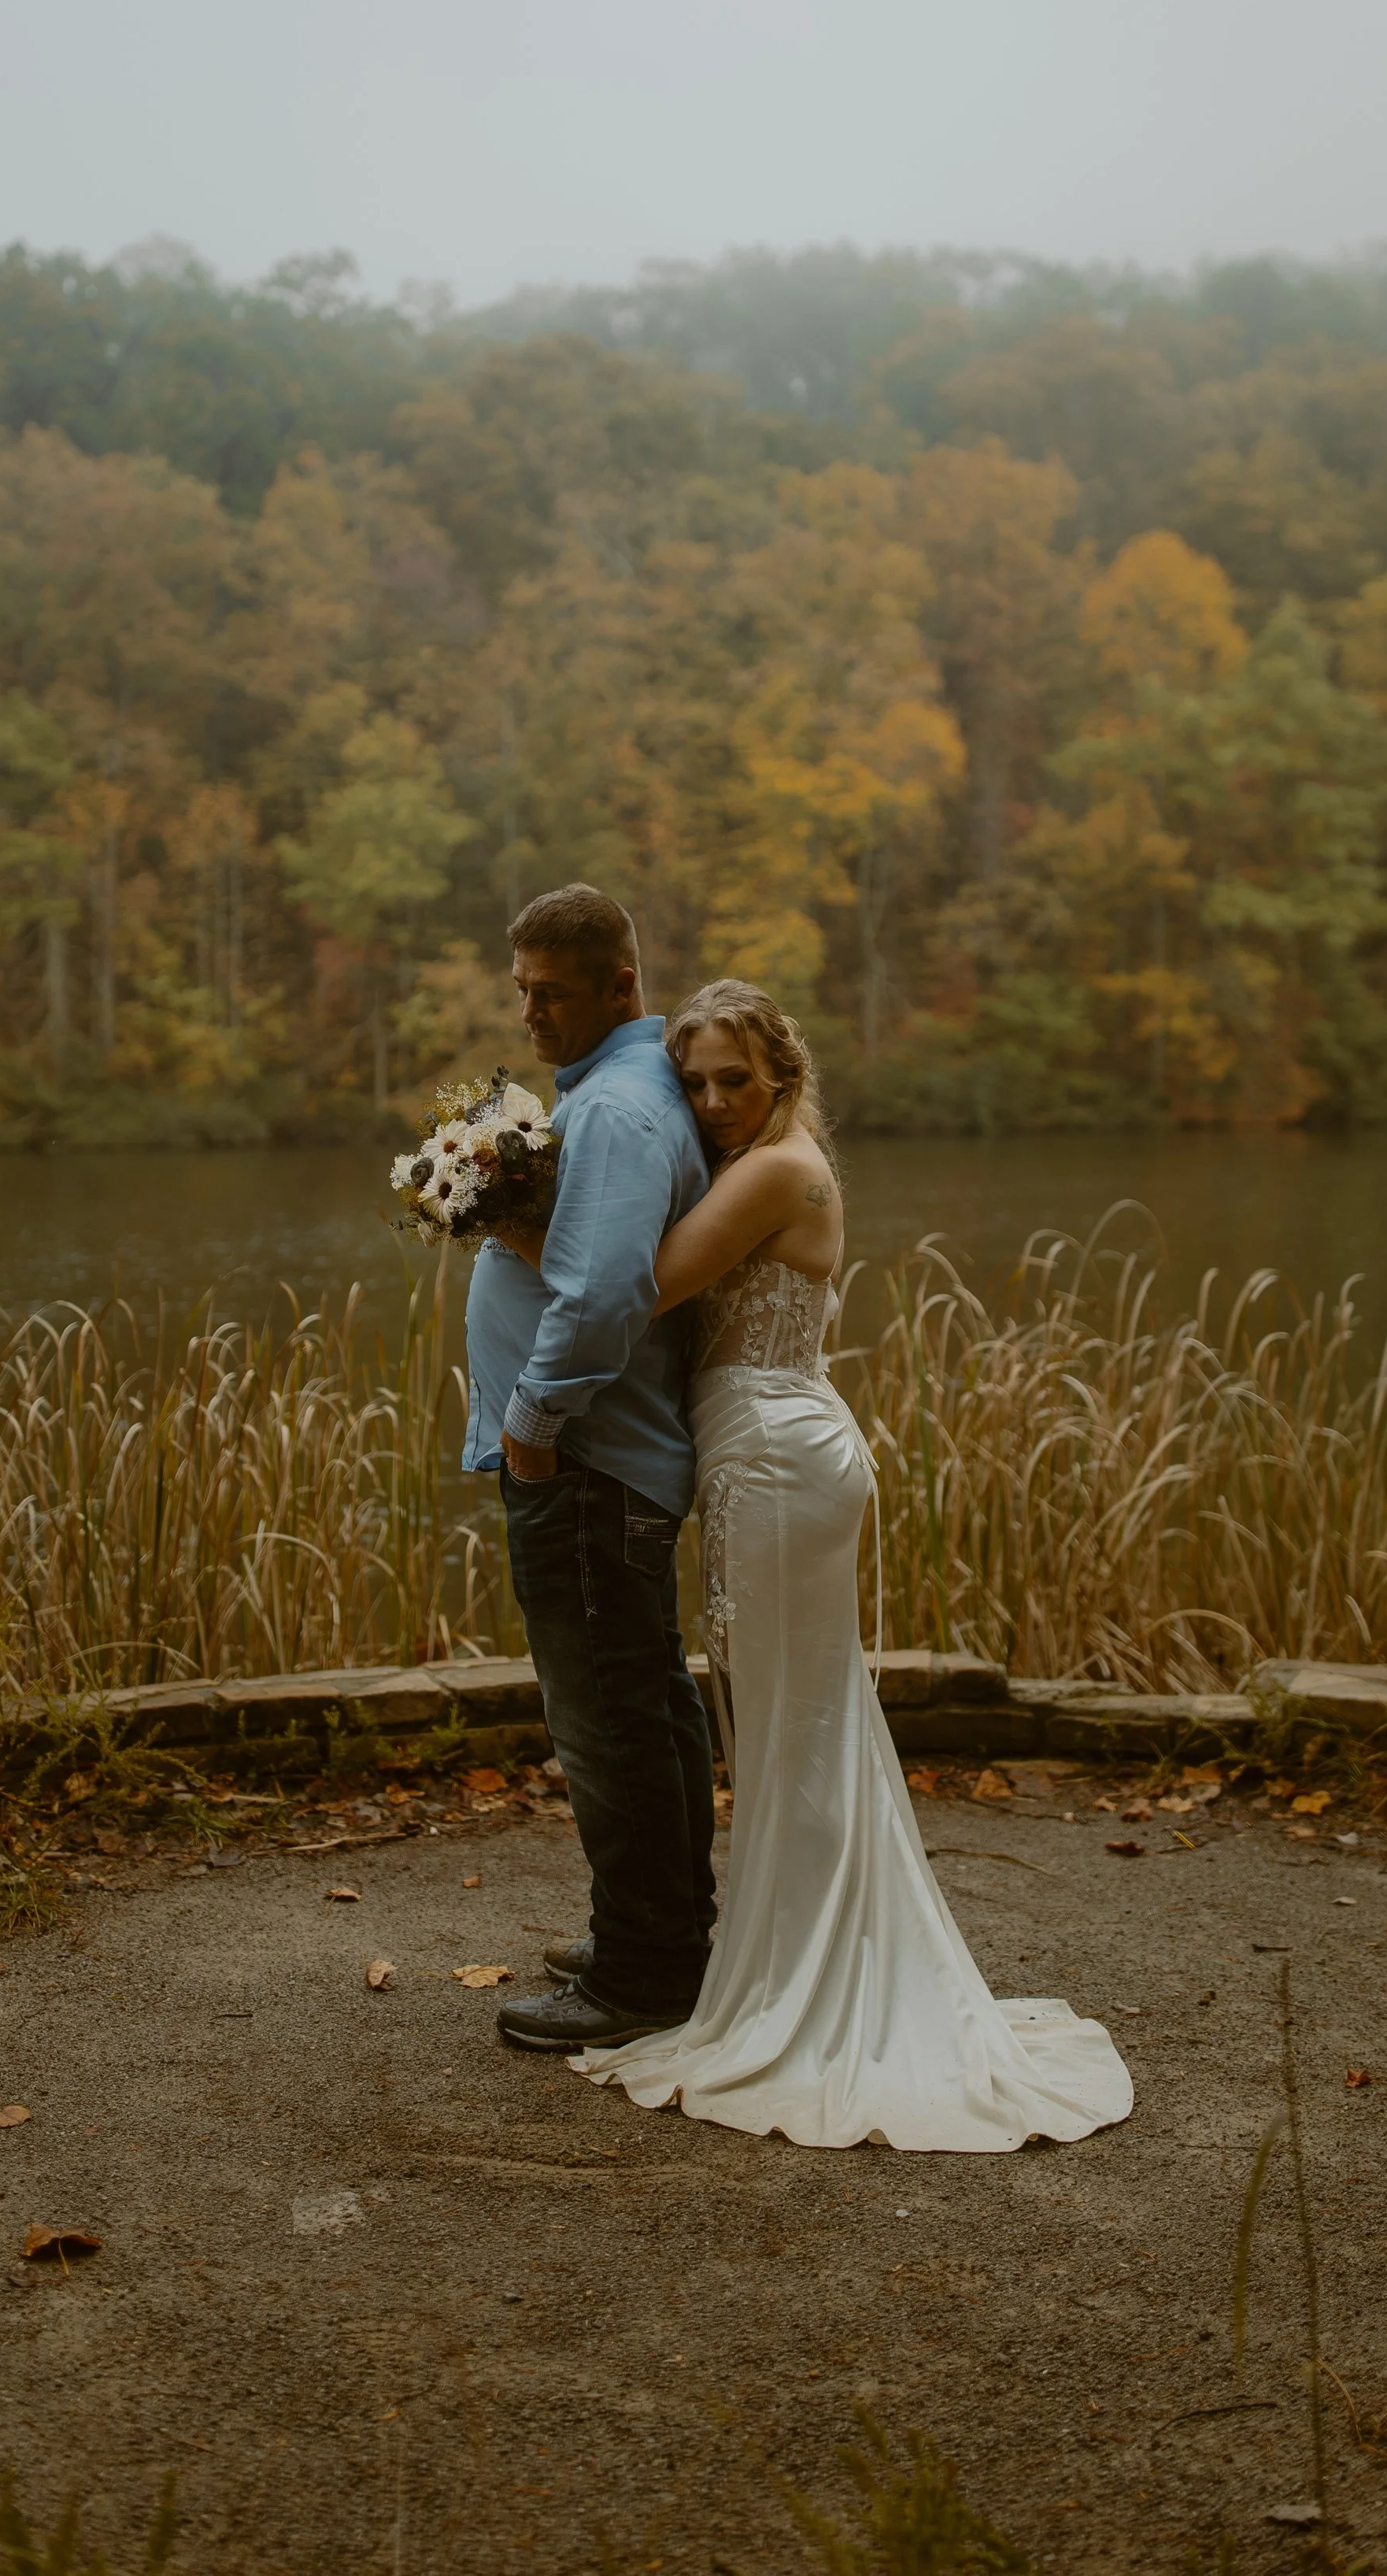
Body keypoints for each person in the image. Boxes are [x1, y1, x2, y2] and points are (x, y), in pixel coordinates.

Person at [565, 979, 1135, 2152]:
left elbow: (643, 1284)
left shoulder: (778, 1170)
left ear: (784, 1070)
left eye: (736, 1078)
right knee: (793, 1725)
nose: (713, 1101)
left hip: (779, 1461)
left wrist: (508, 1215)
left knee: (794, 1728)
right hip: (768, 1456)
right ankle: (793, 1961)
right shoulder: (761, 1163)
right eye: (695, 1083)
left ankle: (808, 1988)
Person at [464, 883, 716, 2052]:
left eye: (552, 993)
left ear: (622, 984)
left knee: (609, 1721)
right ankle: (667, 1933)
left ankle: (645, 1975)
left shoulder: (614, 1107)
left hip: (586, 1461)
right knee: (646, 1701)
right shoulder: (628, 1087)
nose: (530, 1012)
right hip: (607, 1460)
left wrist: (532, 1424)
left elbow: (607, 1291)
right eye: (521, 990)